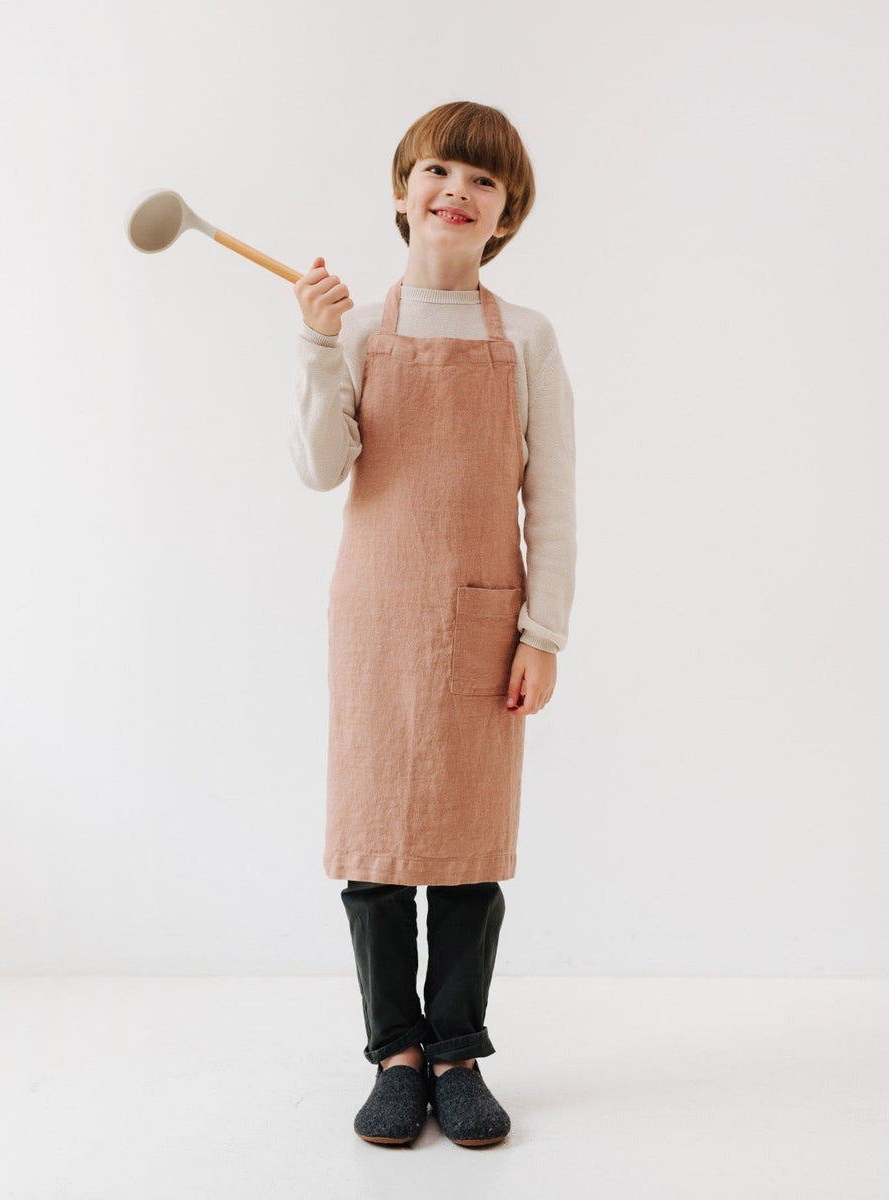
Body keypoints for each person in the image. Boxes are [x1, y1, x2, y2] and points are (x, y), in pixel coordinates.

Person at [289, 100, 577, 1148]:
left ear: (507, 215)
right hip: (373, 617)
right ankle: (393, 1056)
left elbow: (552, 498)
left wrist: (542, 633)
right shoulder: (361, 328)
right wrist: (319, 346)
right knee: (375, 851)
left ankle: (455, 1048)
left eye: (484, 181)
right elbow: (322, 466)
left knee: (464, 853)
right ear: (404, 189)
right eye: (441, 170)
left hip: (481, 629)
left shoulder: (530, 339)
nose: (458, 189)